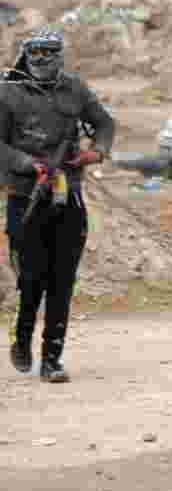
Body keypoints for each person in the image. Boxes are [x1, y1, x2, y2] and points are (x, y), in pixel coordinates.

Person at [0, 27, 115, 382]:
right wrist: (26, 165)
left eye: (49, 53)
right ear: (25, 56)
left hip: (69, 196)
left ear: (60, 55)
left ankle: (52, 360)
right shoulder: (8, 93)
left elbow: (104, 123)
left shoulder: (74, 89)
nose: (42, 60)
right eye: (35, 53)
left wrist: (95, 153)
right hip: (26, 197)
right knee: (32, 278)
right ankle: (22, 338)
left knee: (62, 281)